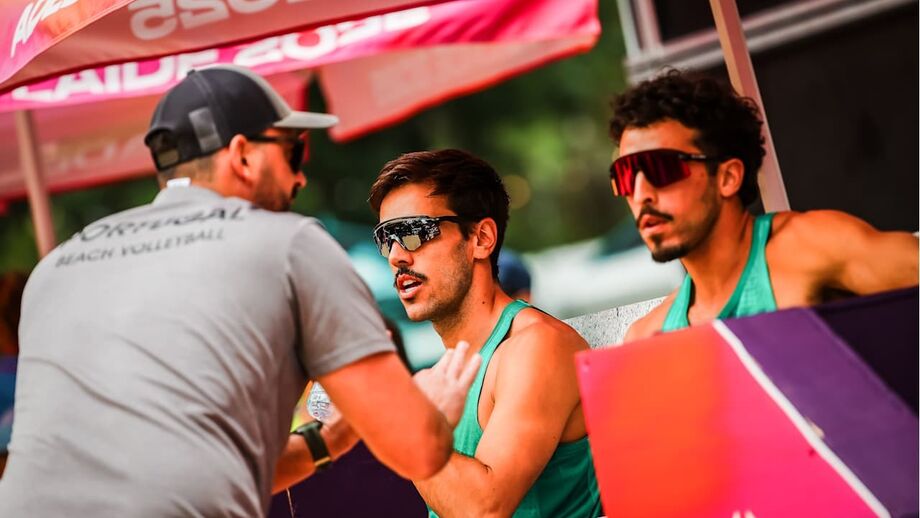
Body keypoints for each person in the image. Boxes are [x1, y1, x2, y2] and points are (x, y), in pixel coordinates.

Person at [0, 65, 480, 516]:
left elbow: (199, 463)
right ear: (242, 155)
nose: (300, 175)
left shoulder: (57, 266)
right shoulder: (289, 242)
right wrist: (436, 410)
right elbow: (416, 450)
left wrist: (328, 440)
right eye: (293, 151)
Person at [368, 149, 601, 517]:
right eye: (385, 238)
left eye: (414, 232)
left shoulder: (535, 347)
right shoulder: (450, 372)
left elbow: (483, 508)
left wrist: (407, 421)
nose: (396, 255)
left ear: (481, 238)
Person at [607, 70, 919, 341]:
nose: (640, 193)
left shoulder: (813, 247)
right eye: (624, 176)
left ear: (728, 177)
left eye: (660, 169)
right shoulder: (646, 338)